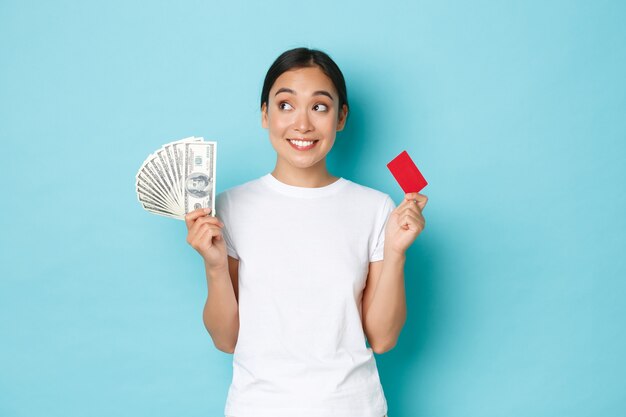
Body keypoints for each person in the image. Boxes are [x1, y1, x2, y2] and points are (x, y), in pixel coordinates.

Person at [184, 47, 427, 417]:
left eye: (319, 107)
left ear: (341, 117)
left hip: (353, 407)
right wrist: (215, 266)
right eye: (285, 105)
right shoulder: (229, 207)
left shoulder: (376, 207)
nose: (302, 124)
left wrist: (396, 253)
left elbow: (383, 338)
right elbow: (225, 339)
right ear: (265, 114)